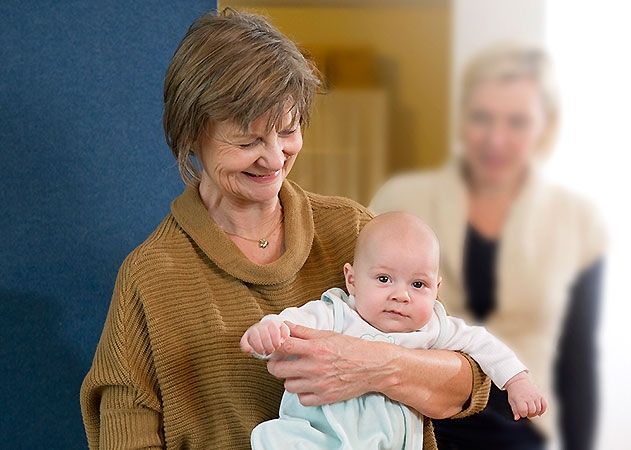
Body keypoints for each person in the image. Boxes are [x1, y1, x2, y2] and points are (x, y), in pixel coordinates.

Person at [79, 8, 491, 450]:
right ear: (192, 134)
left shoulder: (356, 232)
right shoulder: (150, 277)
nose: (275, 159)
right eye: (248, 141)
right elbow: (125, 437)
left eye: (288, 131)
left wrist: (372, 365)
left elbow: (468, 383)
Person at [370, 44, 607, 450]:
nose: (496, 139)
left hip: (521, 427)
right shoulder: (400, 200)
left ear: (544, 126)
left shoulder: (578, 220)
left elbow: (578, 360)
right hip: (406, 422)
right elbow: (352, 299)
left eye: (517, 122)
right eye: (482, 118)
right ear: (462, 120)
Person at [241, 211, 546, 450]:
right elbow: (290, 327)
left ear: (436, 289)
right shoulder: (336, 313)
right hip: (316, 440)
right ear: (352, 280)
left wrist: (518, 381)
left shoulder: (432, 328)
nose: (402, 296)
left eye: (418, 284)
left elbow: (483, 344)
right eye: (384, 279)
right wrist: (269, 332)